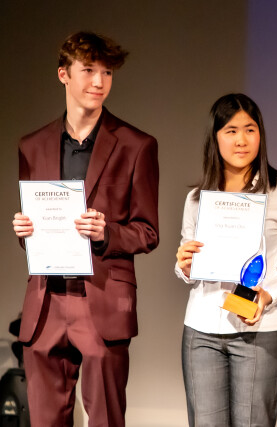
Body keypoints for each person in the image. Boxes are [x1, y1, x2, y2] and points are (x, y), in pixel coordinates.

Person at [11, 31, 159, 426]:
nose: (99, 82)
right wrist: (25, 230)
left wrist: (107, 233)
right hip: (45, 300)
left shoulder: (136, 145)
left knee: (106, 419)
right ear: (63, 74)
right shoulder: (32, 145)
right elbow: (40, 224)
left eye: (107, 73)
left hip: (102, 298)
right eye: (89, 70)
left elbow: (147, 231)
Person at [175, 93, 277, 427]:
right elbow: (188, 261)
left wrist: (267, 295)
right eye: (231, 131)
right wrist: (184, 264)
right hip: (202, 330)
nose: (241, 140)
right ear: (215, 137)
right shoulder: (197, 199)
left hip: (258, 330)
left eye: (250, 130)